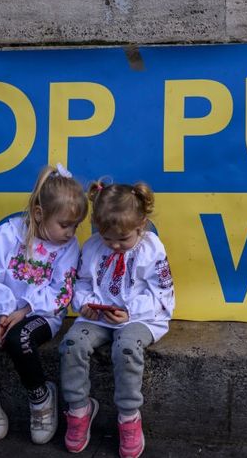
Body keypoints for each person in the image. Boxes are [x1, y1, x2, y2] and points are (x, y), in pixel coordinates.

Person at [0, 164, 87, 444]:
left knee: (20, 340)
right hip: (0, 310)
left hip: (41, 313)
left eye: (75, 225)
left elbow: (62, 291)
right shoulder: (8, 233)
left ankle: (41, 398)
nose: (70, 232)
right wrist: (4, 312)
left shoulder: (69, 246)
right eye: (64, 224)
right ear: (40, 214)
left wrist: (24, 310)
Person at [60, 180, 175, 458]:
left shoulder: (152, 249)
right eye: (107, 237)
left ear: (141, 226)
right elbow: (82, 283)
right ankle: (78, 408)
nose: (114, 245)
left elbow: (163, 294)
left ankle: (128, 416)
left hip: (142, 317)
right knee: (72, 343)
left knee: (126, 346)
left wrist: (130, 311)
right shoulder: (92, 248)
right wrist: (84, 304)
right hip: (99, 317)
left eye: (123, 239)